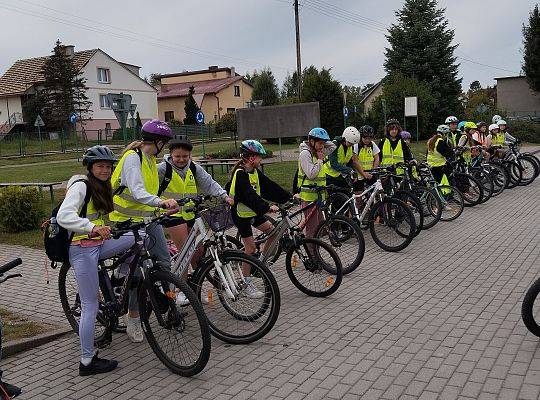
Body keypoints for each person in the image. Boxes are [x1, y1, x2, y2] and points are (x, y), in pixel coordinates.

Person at [57, 145, 133, 376]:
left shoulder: (103, 186)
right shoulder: (81, 186)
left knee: (141, 238)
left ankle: (120, 279)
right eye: (100, 166)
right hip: (81, 249)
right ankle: (87, 360)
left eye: (108, 167)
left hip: (97, 245)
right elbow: (64, 216)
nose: (105, 170)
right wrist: (91, 228)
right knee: (91, 305)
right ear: (90, 167)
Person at [109, 119, 177, 342]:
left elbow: (149, 192)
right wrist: (160, 202)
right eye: (164, 143)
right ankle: (134, 318)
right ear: (156, 141)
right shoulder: (132, 158)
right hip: (126, 222)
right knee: (136, 275)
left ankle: (168, 303)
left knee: (164, 262)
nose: (165, 147)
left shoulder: (150, 159)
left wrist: (163, 206)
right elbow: (137, 191)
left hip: (148, 220)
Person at [157, 135, 233, 305]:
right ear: (171, 155)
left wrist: (224, 195)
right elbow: (147, 185)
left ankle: (195, 290)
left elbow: (209, 183)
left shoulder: (194, 168)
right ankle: (180, 290)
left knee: (198, 255)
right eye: (177, 156)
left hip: (192, 213)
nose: (181, 160)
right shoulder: (162, 169)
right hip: (173, 216)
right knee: (185, 253)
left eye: (185, 156)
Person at [228, 140, 291, 297]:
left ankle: (260, 264)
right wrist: (267, 207)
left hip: (253, 213)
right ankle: (246, 284)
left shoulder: (255, 172)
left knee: (275, 233)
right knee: (250, 249)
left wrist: (288, 197)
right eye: (259, 157)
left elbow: (270, 186)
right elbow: (249, 196)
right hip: (241, 215)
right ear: (250, 158)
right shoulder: (240, 174)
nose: (260, 160)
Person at [297, 128, 336, 237]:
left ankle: (314, 248)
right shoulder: (305, 154)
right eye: (320, 143)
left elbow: (333, 146)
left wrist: (322, 141)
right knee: (312, 230)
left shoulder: (318, 151)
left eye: (323, 143)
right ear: (311, 141)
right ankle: (312, 253)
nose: (322, 146)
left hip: (318, 196)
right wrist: (319, 160)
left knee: (320, 228)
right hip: (309, 197)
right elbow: (311, 174)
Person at [325, 126, 370, 190]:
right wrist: (349, 171)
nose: (350, 145)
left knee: (348, 193)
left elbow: (349, 162)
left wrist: (353, 173)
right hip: (329, 176)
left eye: (352, 144)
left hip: (339, 175)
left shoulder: (350, 147)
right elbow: (333, 163)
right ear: (344, 138)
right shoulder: (335, 145)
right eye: (349, 143)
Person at [353, 125, 379, 192]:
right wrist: (363, 174)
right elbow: (355, 161)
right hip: (359, 175)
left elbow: (377, 158)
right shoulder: (356, 145)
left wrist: (373, 171)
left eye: (369, 138)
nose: (367, 140)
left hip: (370, 174)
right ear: (361, 136)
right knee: (359, 197)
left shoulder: (372, 144)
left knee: (375, 194)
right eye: (365, 138)